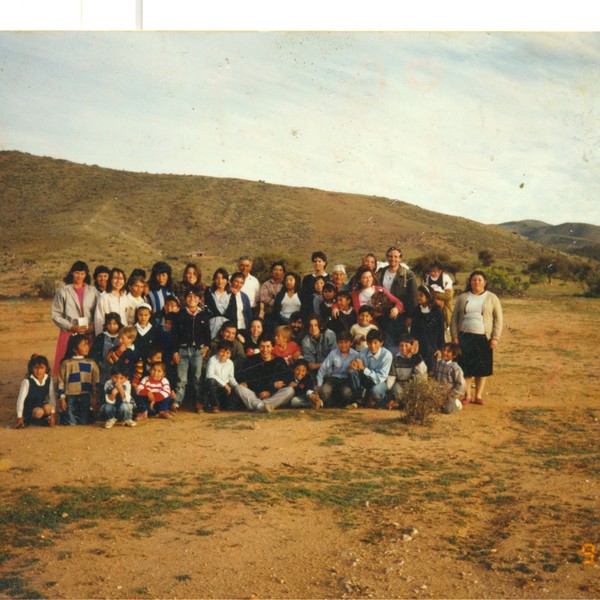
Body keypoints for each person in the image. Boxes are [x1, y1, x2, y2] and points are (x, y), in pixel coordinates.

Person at [450, 270, 503, 405]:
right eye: (474, 280)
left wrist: (495, 338)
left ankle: (478, 396)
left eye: (479, 280)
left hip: (483, 338)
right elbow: (454, 318)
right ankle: (467, 395)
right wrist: (455, 336)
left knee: (481, 369)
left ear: (485, 282)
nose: (476, 282)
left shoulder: (492, 298)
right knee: (466, 368)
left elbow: (498, 319)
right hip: (464, 337)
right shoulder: (463, 297)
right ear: (470, 282)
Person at [51, 260, 98, 377]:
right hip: (68, 333)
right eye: (77, 273)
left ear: (86, 274)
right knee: (66, 364)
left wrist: (92, 326)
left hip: (88, 333)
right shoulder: (63, 291)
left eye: (82, 273)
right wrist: (71, 326)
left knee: (87, 363)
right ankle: (62, 392)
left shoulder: (93, 291)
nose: (79, 276)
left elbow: (98, 312)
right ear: (71, 273)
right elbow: (55, 314)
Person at [170, 286, 211, 412]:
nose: (192, 299)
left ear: (199, 299)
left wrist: (206, 346)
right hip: (182, 350)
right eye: (189, 296)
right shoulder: (179, 315)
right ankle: (177, 402)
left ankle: (198, 402)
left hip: (197, 351)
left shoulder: (203, 314)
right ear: (184, 298)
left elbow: (207, 334)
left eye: (195, 297)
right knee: (181, 379)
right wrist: (175, 351)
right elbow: (174, 334)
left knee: (197, 378)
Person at [234, 334, 295, 412]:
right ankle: (261, 406)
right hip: (255, 394)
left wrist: (270, 391)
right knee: (238, 387)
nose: (265, 350)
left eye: (268, 346)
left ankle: (259, 405)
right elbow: (249, 381)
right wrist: (272, 385)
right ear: (258, 347)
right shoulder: (251, 360)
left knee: (290, 390)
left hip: (273, 395)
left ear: (272, 347)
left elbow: (288, 378)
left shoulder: (279, 361)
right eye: (262, 346)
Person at [375, 246, 418, 349]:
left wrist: (410, 317)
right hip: (383, 315)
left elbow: (413, 297)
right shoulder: (380, 273)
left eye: (395, 256)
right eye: (390, 256)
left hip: (401, 315)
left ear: (400, 258)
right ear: (387, 257)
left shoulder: (408, 275)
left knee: (399, 343)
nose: (393, 259)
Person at [58, 334, 99, 425]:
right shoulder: (66, 364)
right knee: (71, 422)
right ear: (75, 349)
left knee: (84, 422)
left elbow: (95, 382)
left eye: (87, 344)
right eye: (84, 345)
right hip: (70, 396)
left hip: (86, 396)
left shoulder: (91, 363)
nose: (87, 347)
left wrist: (94, 397)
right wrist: (62, 398)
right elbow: (61, 381)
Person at [348, 329, 393, 409]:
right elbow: (354, 364)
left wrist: (364, 368)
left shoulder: (387, 355)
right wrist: (352, 364)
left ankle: (382, 401)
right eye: (369, 343)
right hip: (366, 381)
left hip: (380, 382)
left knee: (376, 391)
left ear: (381, 343)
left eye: (375, 343)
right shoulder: (363, 352)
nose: (372, 346)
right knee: (352, 371)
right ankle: (357, 400)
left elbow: (380, 379)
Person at [316, 330, 359, 408]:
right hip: (333, 379)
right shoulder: (333, 353)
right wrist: (319, 384)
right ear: (337, 343)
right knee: (324, 391)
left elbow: (357, 372)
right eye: (341, 342)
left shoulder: (355, 355)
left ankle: (344, 404)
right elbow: (323, 369)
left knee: (347, 393)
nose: (343, 345)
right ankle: (327, 404)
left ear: (351, 343)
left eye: (346, 342)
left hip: (346, 380)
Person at [410, 285, 446, 372]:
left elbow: (441, 331)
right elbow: (413, 330)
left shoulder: (438, 311)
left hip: (432, 348)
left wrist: (440, 348)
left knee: (431, 372)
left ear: (428, 296)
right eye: (417, 295)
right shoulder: (416, 310)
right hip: (419, 347)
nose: (418, 297)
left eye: (421, 295)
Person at [387, 334, 428, 409]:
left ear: (412, 346)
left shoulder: (415, 357)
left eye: (407, 345)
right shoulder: (396, 359)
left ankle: (401, 405)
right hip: (400, 384)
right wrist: (389, 392)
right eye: (401, 346)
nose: (404, 348)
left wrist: (415, 354)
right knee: (396, 390)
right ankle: (403, 404)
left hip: (411, 384)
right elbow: (391, 377)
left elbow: (423, 370)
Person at [15, 354, 56, 428]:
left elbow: (51, 397)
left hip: (41, 404)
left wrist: (52, 415)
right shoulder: (27, 382)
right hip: (30, 408)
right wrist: (19, 417)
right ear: (32, 369)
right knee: (39, 412)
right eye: (36, 368)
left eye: (41, 368)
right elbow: (20, 400)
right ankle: (31, 420)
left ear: (46, 369)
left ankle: (47, 419)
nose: (38, 371)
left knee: (48, 408)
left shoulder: (49, 380)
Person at [90, 311, 122, 400]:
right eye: (109, 324)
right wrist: (99, 365)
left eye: (115, 324)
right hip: (103, 369)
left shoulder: (122, 336)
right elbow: (94, 354)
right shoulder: (101, 337)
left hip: (118, 370)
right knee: (104, 390)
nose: (112, 326)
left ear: (119, 324)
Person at [205, 340, 239, 412]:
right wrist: (225, 385)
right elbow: (210, 375)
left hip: (224, 390)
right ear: (217, 351)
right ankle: (214, 405)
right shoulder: (212, 360)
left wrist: (237, 387)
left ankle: (222, 405)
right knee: (211, 381)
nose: (224, 355)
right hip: (214, 388)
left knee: (233, 404)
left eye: (227, 353)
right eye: (222, 351)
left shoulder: (230, 363)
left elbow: (231, 377)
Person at [432, 343, 466, 414]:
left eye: (448, 352)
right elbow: (433, 377)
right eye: (444, 350)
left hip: (449, 395)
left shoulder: (455, 368)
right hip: (437, 393)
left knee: (448, 410)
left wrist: (452, 394)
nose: (445, 353)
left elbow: (461, 384)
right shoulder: (437, 364)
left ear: (454, 355)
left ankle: (456, 403)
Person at [301, 314, 337, 380]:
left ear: (320, 326)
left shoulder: (330, 334)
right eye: (311, 326)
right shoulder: (305, 341)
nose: (313, 328)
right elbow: (311, 365)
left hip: (331, 368)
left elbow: (335, 358)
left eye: (316, 325)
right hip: (315, 372)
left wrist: (319, 365)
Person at [94, 267, 128, 335]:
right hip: (109, 336)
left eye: (121, 279)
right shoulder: (104, 297)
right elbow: (99, 321)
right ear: (110, 280)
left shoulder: (125, 297)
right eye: (115, 278)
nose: (118, 281)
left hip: (124, 336)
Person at [204, 268, 234, 339]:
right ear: (214, 280)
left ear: (227, 280)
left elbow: (233, 314)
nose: (220, 281)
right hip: (212, 325)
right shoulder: (209, 293)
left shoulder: (231, 294)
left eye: (223, 278)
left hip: (227, 328)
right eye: (217, 278)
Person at [425, 260, 454, 329]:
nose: (432, 273)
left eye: (434, 272)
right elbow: (426, 287)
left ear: (440, 271)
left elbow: (449, 284)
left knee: (448, 307)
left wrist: (447, 288)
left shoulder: (444, 277)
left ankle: (448, 323)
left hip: (443, 294)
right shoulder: (428, 278)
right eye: (431, 271)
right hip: (433, 297)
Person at [259, 261, 285, 330]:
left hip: (283, 315)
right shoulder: (266, 284)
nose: (277, 272)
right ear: (271, 271)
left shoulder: (285, 284)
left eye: (280, 270)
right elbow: (263, 297)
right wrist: (276, 303)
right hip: (269, 315)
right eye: (275, 270)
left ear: (283, 273)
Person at [229, 271, 253, 342]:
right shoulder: (227, 294)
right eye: (236, 281)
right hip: (232, 328)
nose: (238, 284)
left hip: (244, 327)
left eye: (241, 282)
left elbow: (249, 314)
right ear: (231, 281)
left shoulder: (244, 296)